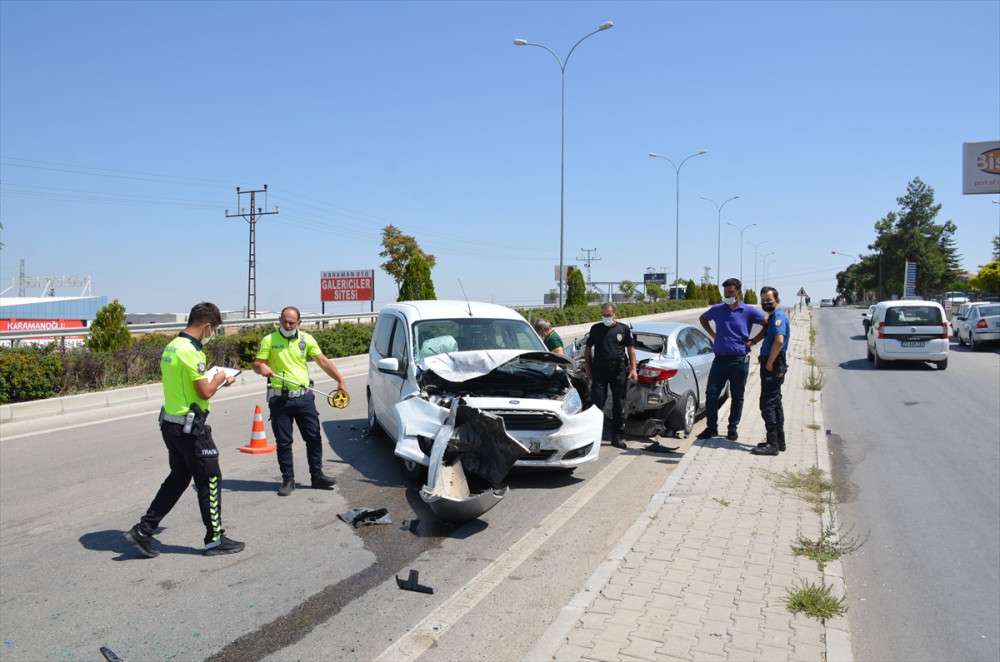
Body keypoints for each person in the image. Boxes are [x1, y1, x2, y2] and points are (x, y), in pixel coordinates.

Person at [125, 302, 244, 558]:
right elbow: (205, 391)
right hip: (191, 429)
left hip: (171, 424)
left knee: (179, 477)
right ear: (207, 326)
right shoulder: (192, 351)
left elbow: (187, 386)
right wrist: (221, 378)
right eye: (213, 331)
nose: (212, 335)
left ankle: (144, 530)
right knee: (210, 479)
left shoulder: (172, 346)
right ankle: (215, 538)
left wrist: (211, 380)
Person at [254, 306, 347, 496]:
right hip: (280, 399)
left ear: (299, 323)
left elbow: (322, 361)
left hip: (304, 397)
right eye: (284, 321)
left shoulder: (306, 339)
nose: (287, 325)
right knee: (284, 442)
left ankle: (317, 476)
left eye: (291, 322)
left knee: (313, 437)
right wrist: (261, 367)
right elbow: (257, 363)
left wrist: (340, 380)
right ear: (279, 320)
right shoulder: (269, 340)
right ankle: (288, 480)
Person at [697, 278, 766, 441]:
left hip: (739, 360)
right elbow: (703, 319)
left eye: (730, 292)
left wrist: (753, 341)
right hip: (720, 360)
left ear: (738, 292)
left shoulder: (748, 311)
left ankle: (732, 429)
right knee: (711, 394)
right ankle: (711, 428)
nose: (727, 295)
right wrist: (713, 335)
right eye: (725, 292)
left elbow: (767, 325)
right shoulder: (717, 309)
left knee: (737, 396)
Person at [583, 303, 638, 449]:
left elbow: (631, 350)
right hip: (600, 370)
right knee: (597, 402)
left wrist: (633, 369)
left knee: (618, 404)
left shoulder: (623, 329)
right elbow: (587, 350)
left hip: (618, 370)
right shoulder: (596, 329)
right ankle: (593, 436)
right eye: (604, 315)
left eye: (609, 315)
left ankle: (617, 437)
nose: (606, 317)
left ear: (615, 314)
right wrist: (588, 368)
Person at [749, 287, 789, 455]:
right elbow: (766, 333)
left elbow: (779, 341)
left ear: (777, 300)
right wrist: (752, 342)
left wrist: (770, 362)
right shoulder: (773, 317)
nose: (766, 302)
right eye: (763, 300)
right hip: (774, 362)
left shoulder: (778, 316)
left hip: (773, 363)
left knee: (767, 404)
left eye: (769, 300)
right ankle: (779, 441)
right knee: (775, 402)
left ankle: (772, 444)